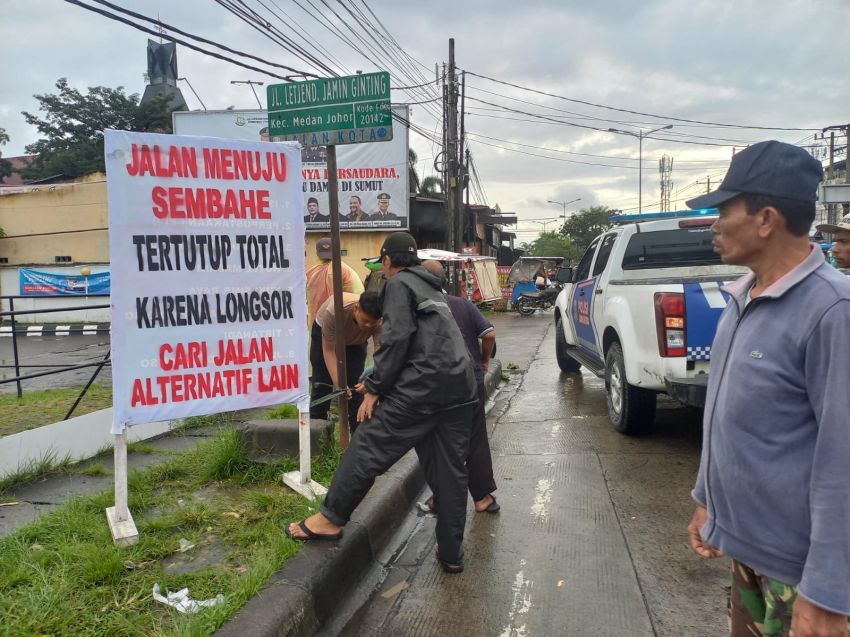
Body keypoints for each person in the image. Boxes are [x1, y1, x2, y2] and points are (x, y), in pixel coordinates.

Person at [685, 141, 850, 637]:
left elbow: (841, 458)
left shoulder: (832, 311)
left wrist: (828, 590)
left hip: (799, 573)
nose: (713, 224)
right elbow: (728, 417)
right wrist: (706, 498)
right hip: (748, 553)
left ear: (766, 218)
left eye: (722, 210)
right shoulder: (742, 298)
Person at [287, 233, 477, 574]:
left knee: (366, 448)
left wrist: (373, 388)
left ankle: (330, 519)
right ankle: (451, 552)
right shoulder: (433, 287)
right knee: (449, 471)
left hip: (423, 388)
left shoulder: (398, 283)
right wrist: (378, 379)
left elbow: (396, 338)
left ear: (387, 261)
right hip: (460, 387)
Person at [421, 260, 499, 514]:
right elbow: (488, 334)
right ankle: (481, 498)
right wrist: (484, 360)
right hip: (469, 382)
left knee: (440, 443)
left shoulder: (419, 308)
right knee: (475, 440)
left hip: (433, 387)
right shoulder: (462, 304)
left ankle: (440, 498)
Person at [310, 291, 381, 435]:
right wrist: (340, 383)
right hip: (326, 336)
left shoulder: (380, 320)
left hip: (356, 343)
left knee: (356, 387)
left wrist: (372, 382)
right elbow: (329, 351)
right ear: (356, 309)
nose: (368, 326)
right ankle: (317, 439)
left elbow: (379, 354)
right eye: (365, 320)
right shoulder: (335, 311)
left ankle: (359, 439)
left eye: (372, 323)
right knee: (322, 384)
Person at [306, 237, 364, 326]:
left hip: (318, 322)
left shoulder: (311, 272)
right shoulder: (346, 270)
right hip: (341, 321)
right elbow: (358, 295)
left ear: (317, 254)